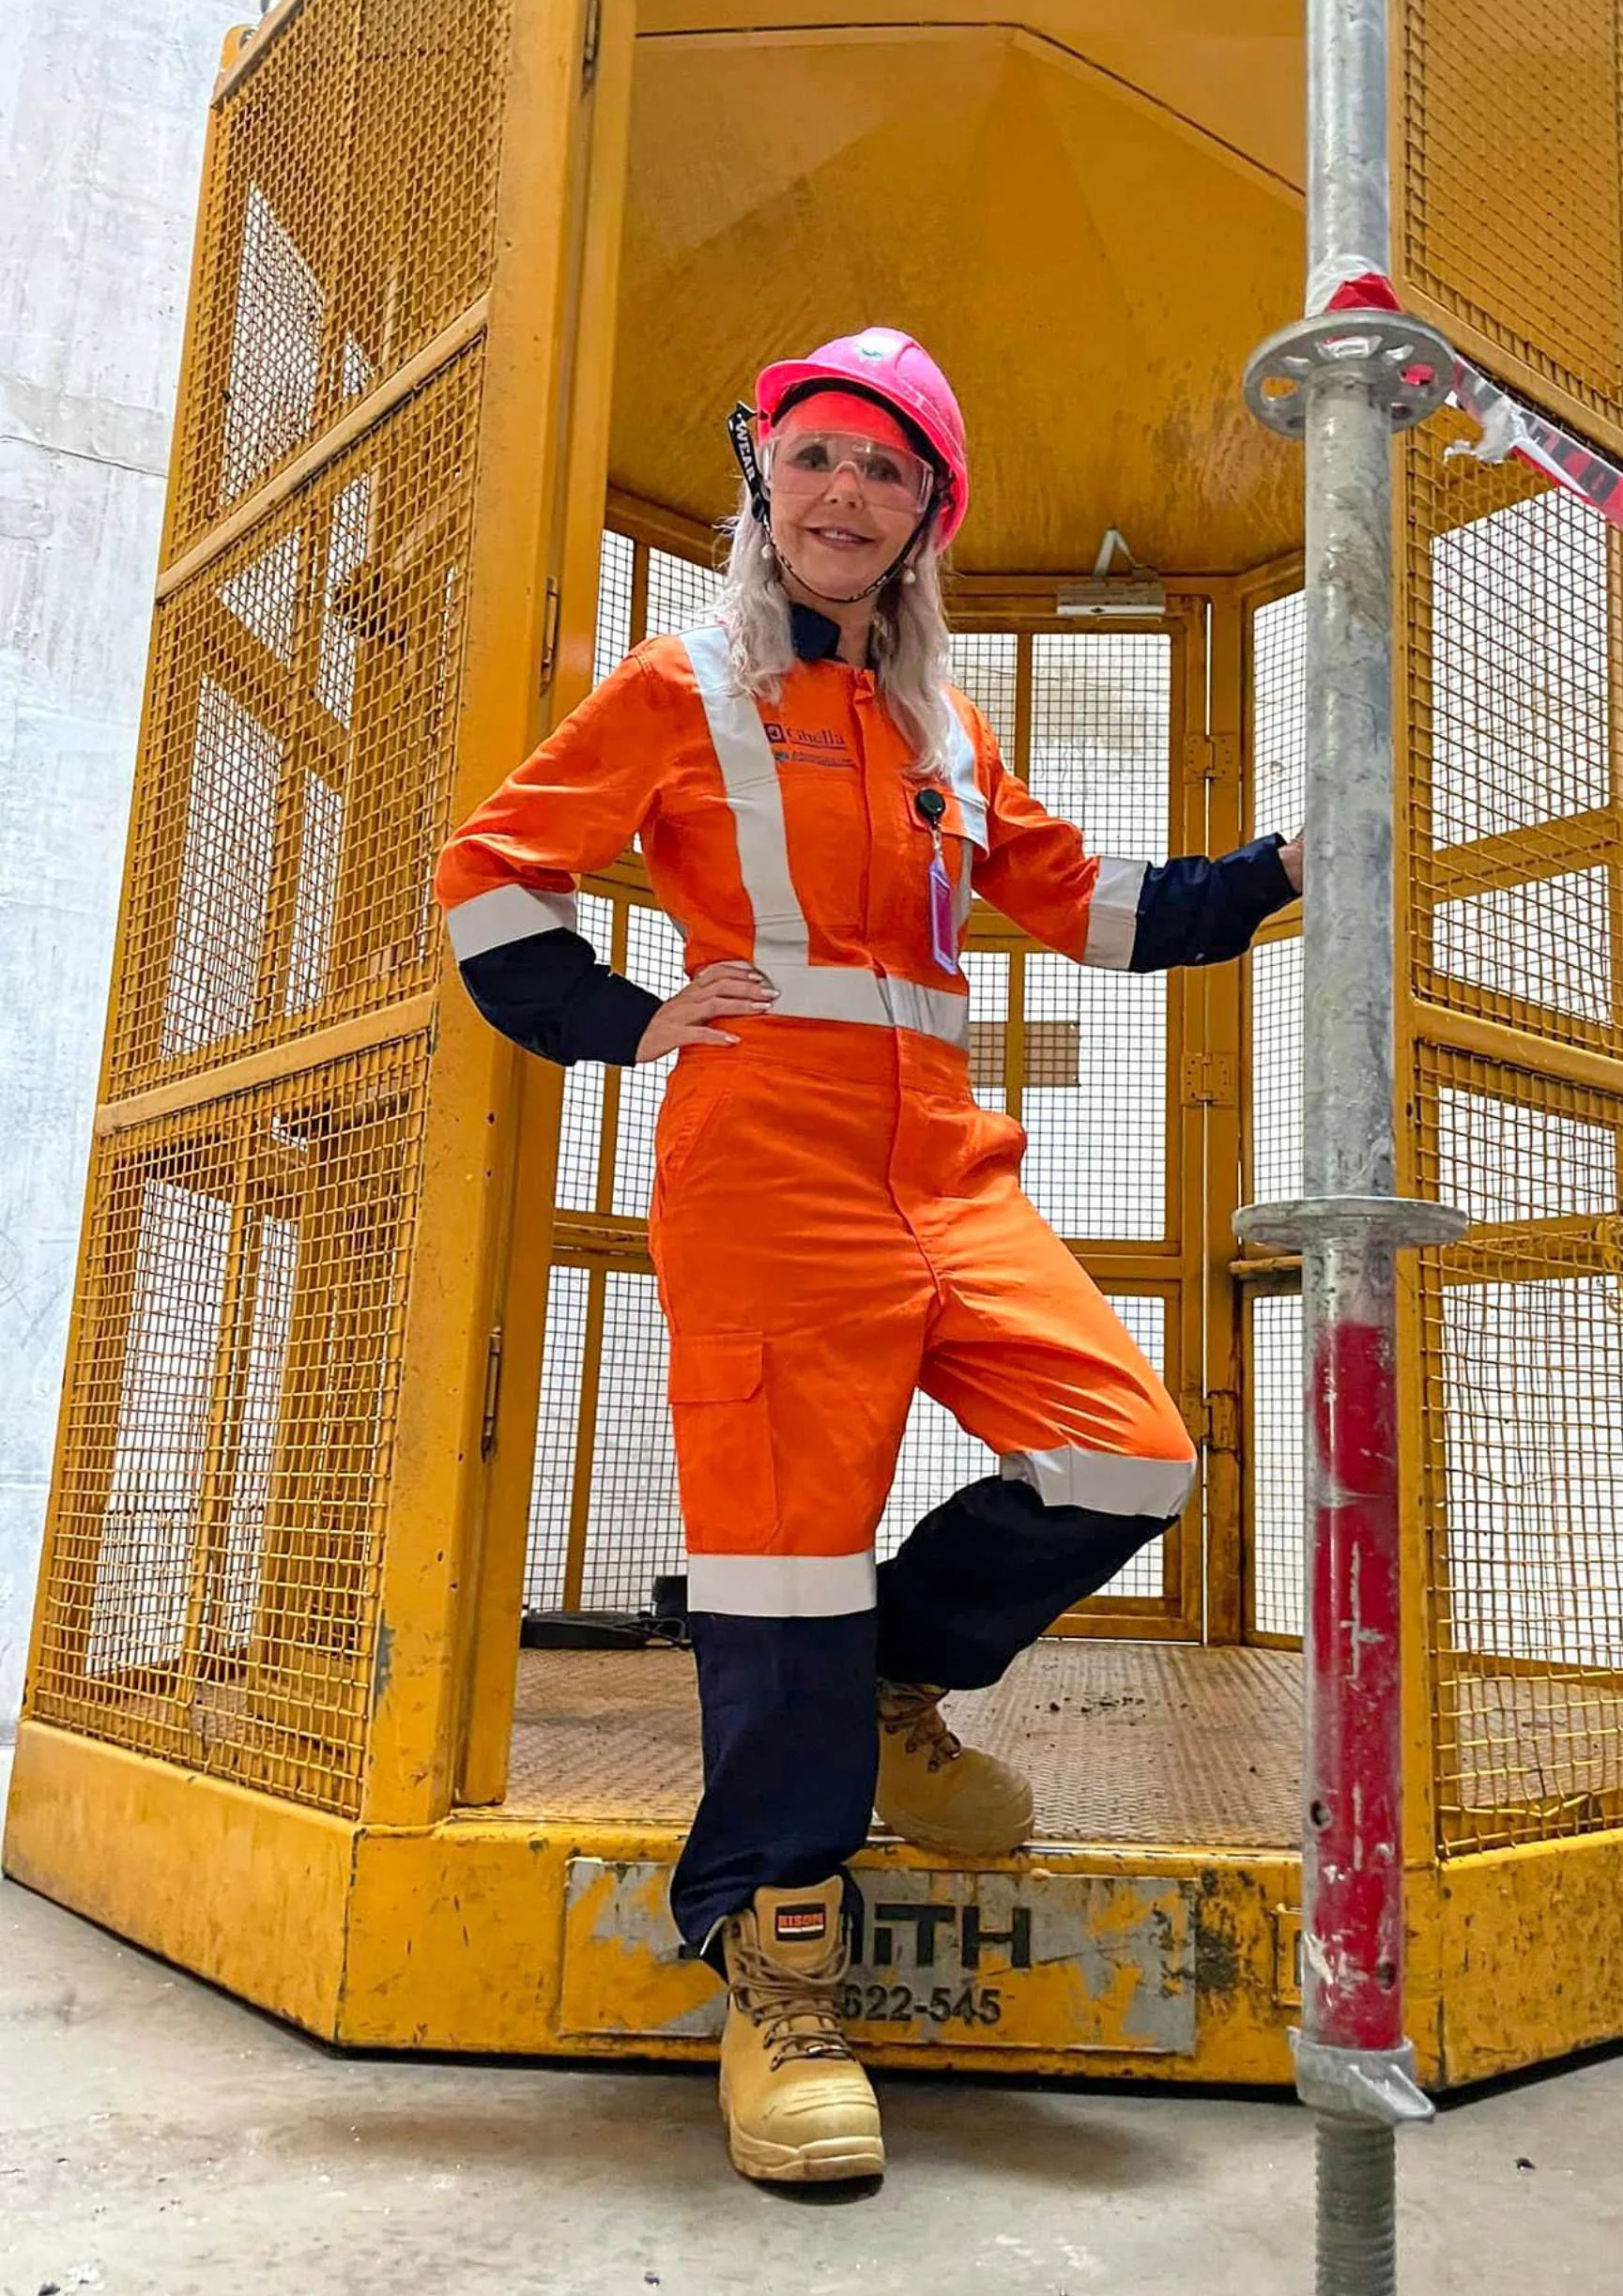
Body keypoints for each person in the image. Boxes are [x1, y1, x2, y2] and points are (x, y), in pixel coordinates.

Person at [436, 327, 1302, 2184]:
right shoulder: (681, 682)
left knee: (1127, 1440)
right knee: (779, 1554)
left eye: (885, 471)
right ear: (769, 481)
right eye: (817, 457)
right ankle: (780, 1974)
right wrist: (619, 1017)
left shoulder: (937, 726)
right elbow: (496, 870)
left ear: (927, 517)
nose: (844, 494)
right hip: (766, 1158)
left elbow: (1096, 907)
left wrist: (1294, 861)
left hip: (946, 1161)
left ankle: (894, 1694)